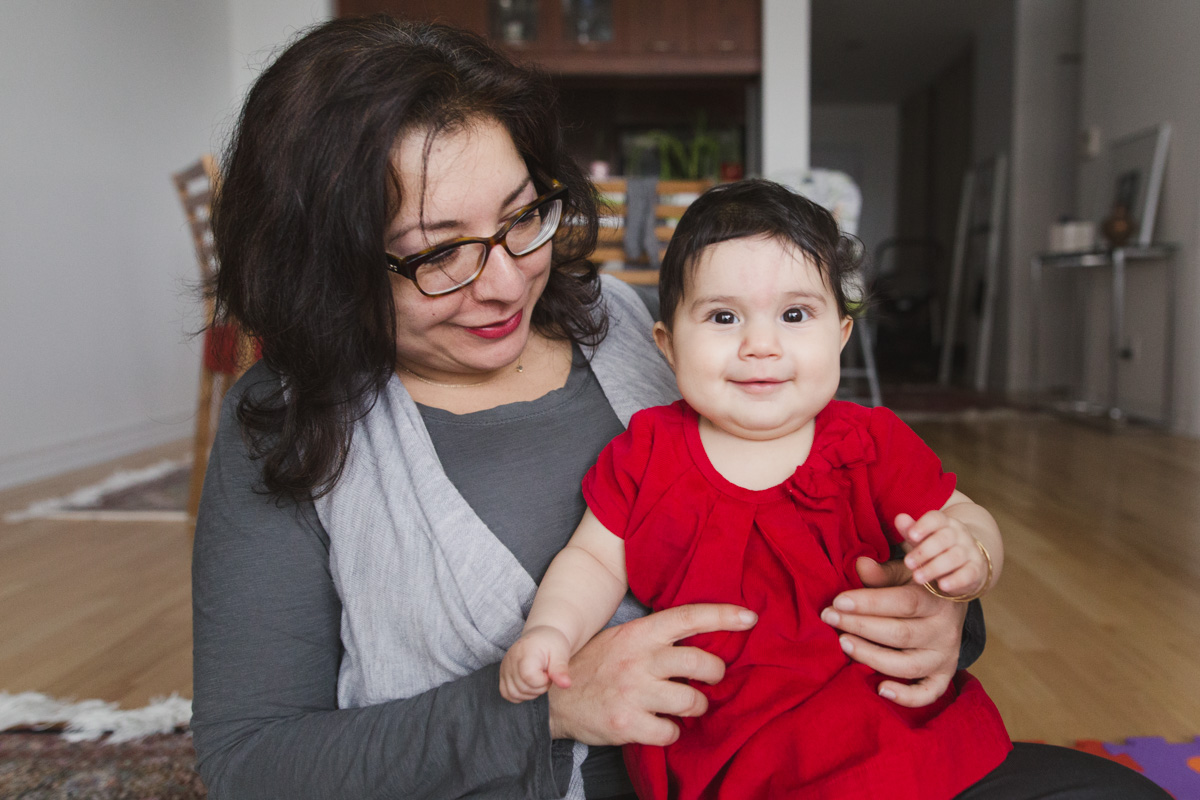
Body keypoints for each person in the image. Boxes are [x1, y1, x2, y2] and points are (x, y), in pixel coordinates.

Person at [191, 15, 1168, 800]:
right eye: (439, 249)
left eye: (525, 216)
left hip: (829, 762)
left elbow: (858, 509)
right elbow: (251, 762)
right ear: (324, 258)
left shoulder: (649, 331)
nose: (503, 282)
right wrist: (549, 710)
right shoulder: (282, 425)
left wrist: (942, 618)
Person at [500, 179, 1012, 799]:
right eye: (723, 317)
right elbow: (590, 560)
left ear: (842, 336)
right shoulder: (647, 451)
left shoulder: (868, 442)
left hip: (870, 719)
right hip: (719, 743)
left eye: (794, 315)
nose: (761, 345)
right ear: (667, 346)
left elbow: (963, 513)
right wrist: (550, 633)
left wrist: (970, 552)